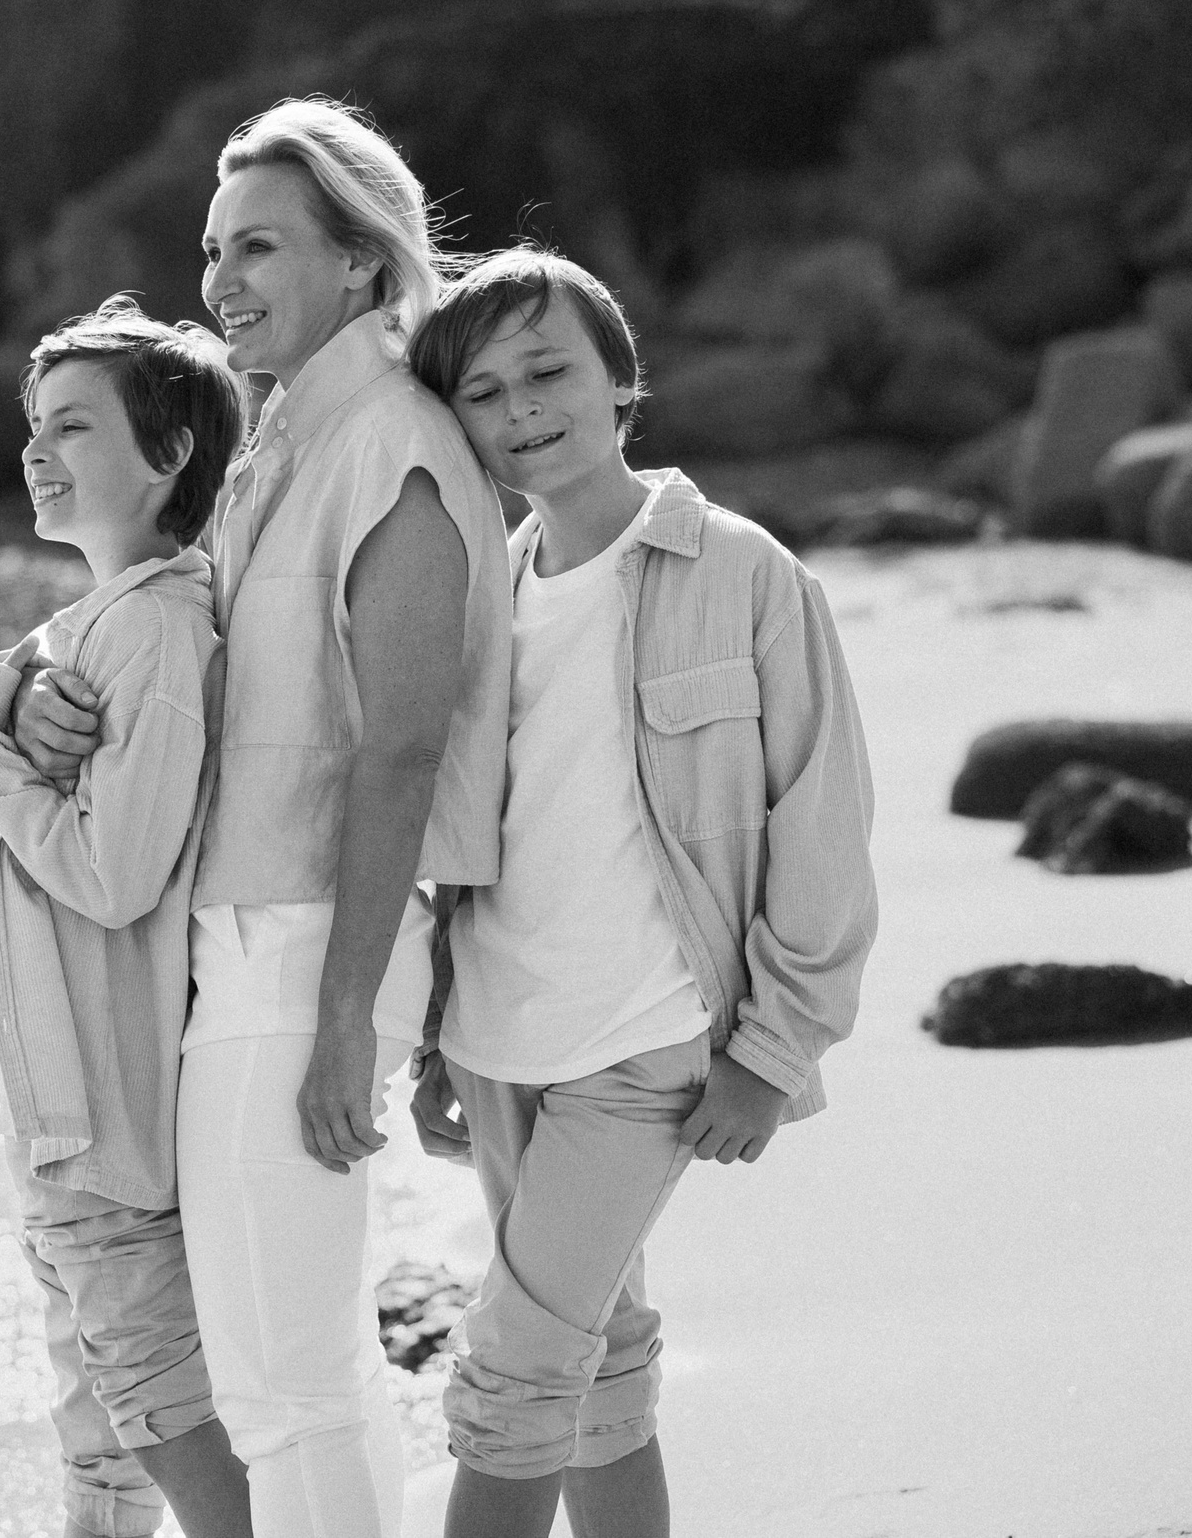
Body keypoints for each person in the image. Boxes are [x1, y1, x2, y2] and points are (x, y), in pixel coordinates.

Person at [14, 98, 512, 1537]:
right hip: (249, 940)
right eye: (215, 247)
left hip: (305, 944)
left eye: (264, 246)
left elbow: (402, 747)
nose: (223, 279)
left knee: (279, 1379)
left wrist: (351, 1009)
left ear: (363, 264)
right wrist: (24, 691)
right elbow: (165, 635)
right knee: (299, 1370)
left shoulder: (399, 443)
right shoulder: (282, 443)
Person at [403, 247, 878, 1538]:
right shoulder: (482, 597)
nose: (522, 407)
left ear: (621, 379)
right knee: (597, 1373)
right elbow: (470, 840)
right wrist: (441, 1034)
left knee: (509, 1381)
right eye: (486, 391)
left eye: (549, 369)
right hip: (504, 1040)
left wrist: (770, 1054)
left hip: (646, 1041)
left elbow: (823, 831)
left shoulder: (745, 574)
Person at [0, 298, 252, 1538]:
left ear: (170, 451)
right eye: (32, 423)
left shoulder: (160, 628)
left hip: (111, 1119)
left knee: (152, 1407)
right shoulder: (96, 626)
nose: (37, 448)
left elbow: (113, 874)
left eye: (72, 424)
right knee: (100, 1429)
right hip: (64, 1112)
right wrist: (8, 682)